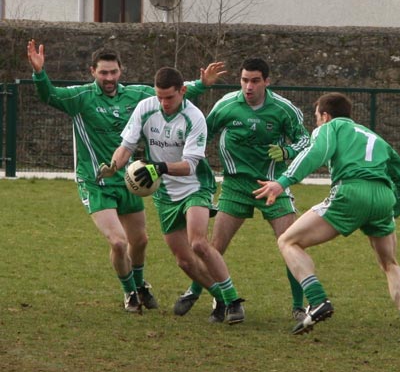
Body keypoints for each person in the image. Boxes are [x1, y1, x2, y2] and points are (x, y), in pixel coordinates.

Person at [27, 39, 226, 314]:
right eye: (103, 72)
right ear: (92, 72)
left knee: (141, 241)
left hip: (130, 180)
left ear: (121, 71)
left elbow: (173, 92)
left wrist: (202, 83)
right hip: (96, 182)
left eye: (113, 72)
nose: (109, 78)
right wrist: (39, 72)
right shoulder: (81, 97)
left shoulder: (137, 96)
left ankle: (141, 283)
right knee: (119, 242)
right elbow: (49, 95)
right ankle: (129, 291)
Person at [253, 92, 400, 344]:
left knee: (288, 241)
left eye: (316, 118)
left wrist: (282, 183)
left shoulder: (330, 127)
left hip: (351, 191)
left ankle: (317, 301)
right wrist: (392, 212)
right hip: (383, 197)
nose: (316, 123)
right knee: (390, 264)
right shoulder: (375, 137)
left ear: (325, 115)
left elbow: (317, 153)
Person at [99, 66, 245, 324]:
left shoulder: (194, 117)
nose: (164, 103)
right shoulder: (146, 108)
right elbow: (126, 146)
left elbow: (190, 165)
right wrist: (113, 166)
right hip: (165, 194)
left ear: (182, 91)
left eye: (170, 97)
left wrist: (159, 167)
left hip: (195, 186)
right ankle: (219, 297)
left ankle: (234, 301)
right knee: (184, 262)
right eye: (160, 97)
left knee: (198, 242)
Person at [174, 57, 310, 322]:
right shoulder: (226, 105)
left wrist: (288, 150)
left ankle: (298, 305)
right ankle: (197, 292)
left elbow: (306, 139)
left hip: (271, 185)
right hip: (235, 185)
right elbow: (203, 133)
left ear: (266, 82)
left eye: (255, 81)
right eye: (245, 80)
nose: (249, 86)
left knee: (291, 244)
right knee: (214, 246)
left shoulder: (283, 109)